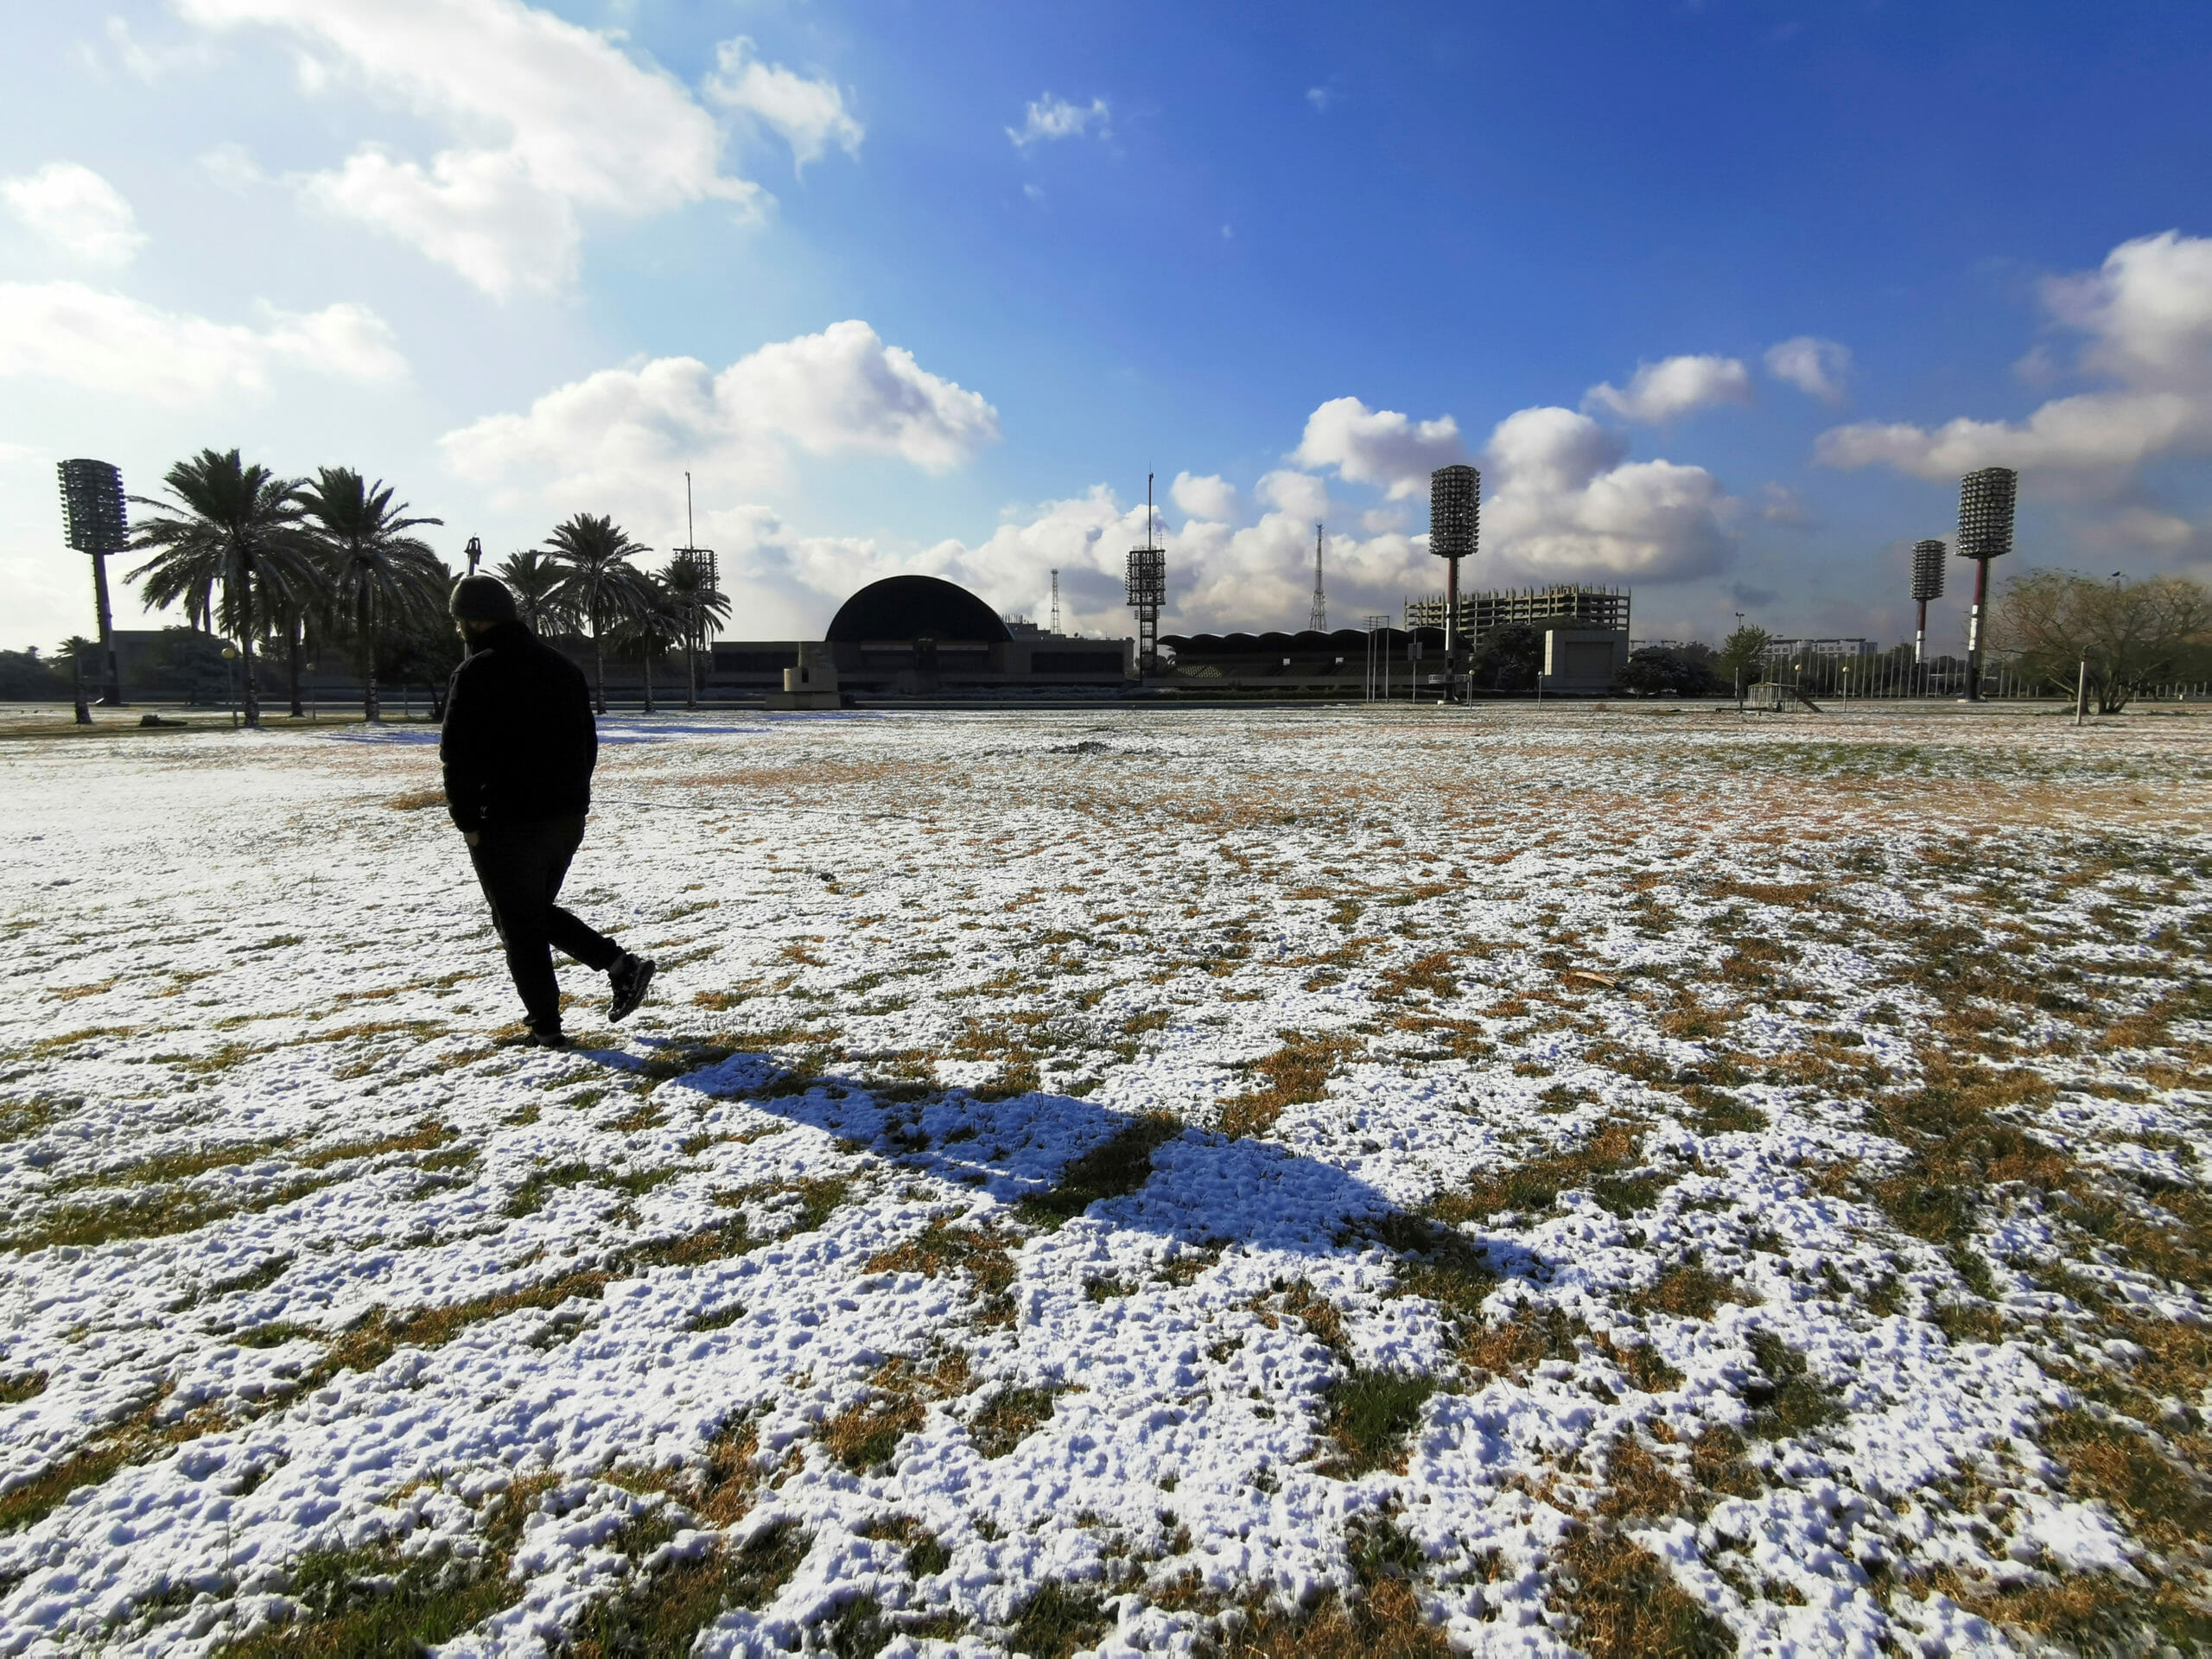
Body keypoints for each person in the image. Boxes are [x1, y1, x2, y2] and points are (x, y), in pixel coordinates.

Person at [441, 575, 654, 1048]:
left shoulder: (476, 673)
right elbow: (587, 744)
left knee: (518, 922)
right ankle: (621, 968)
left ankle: (547, 1026)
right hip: (564, 817)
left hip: (506, 821)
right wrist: (575, 798)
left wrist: (468, 822)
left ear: (473, 620)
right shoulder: (562, 668)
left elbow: (458, 756)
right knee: (528, 913)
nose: (457, 628)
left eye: (458, 619)